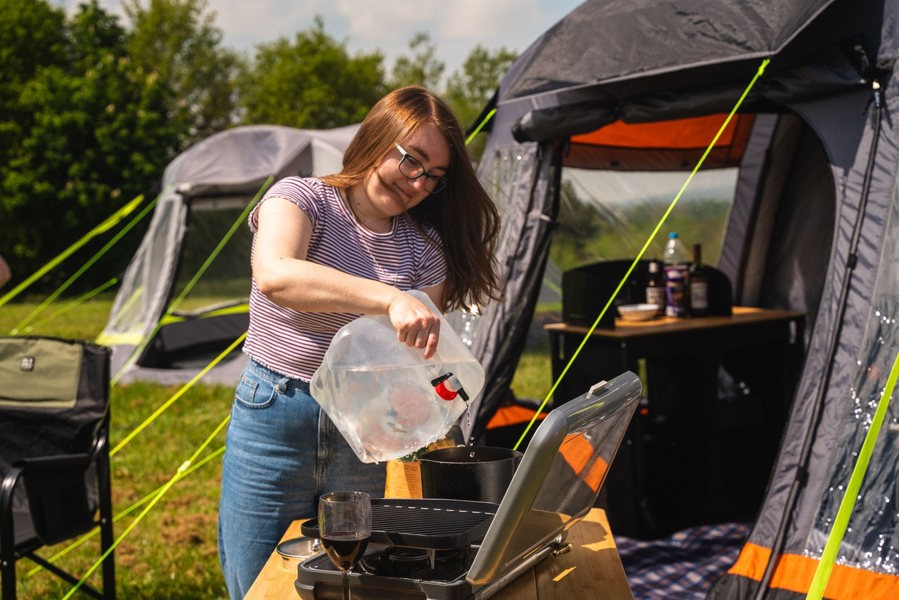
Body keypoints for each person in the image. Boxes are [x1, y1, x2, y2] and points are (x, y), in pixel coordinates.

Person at [217, 86, 501, 598]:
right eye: (412, 161)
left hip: (363, 430)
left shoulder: (424, 246)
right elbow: (276, 276)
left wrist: (423, 408)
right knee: (256, 581)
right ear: (377, 138)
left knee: (349, 580)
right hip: (277, 413)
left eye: (433, 176)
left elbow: (412, 360)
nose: (417, 183)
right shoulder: (300, 198)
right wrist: (390, 298)